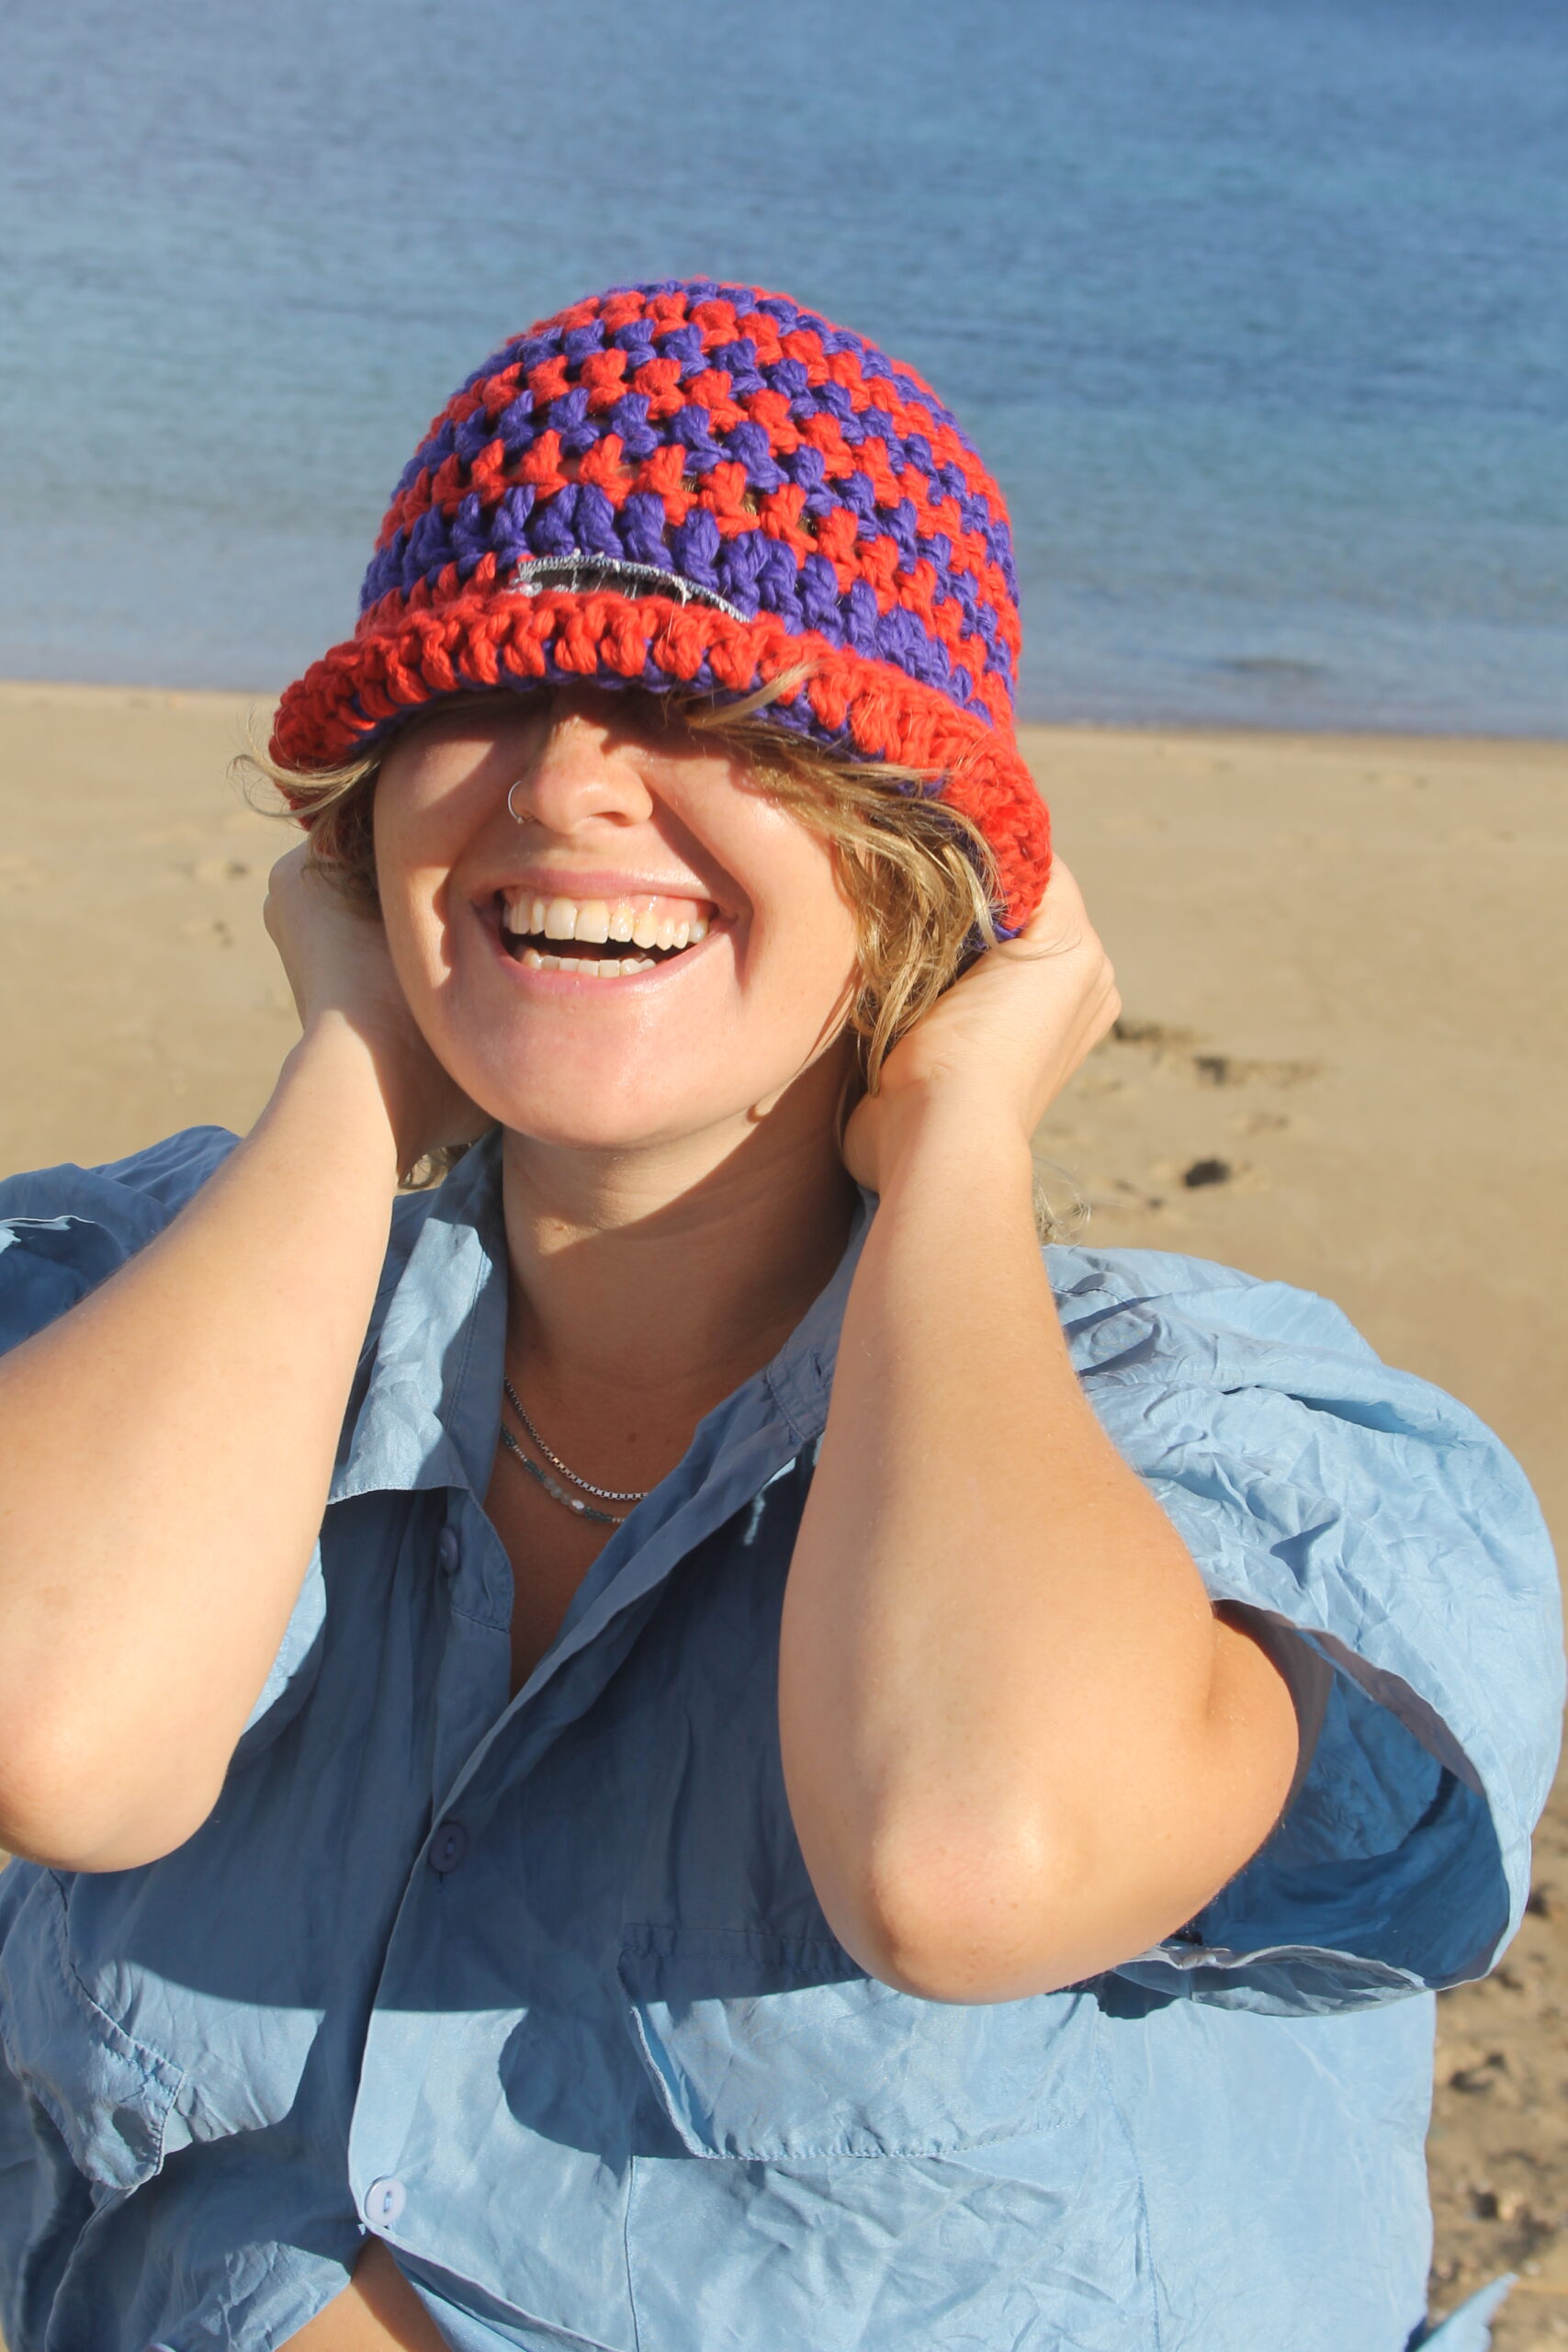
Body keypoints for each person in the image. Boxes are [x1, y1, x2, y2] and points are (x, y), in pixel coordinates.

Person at [0, 278, 1557, 2352]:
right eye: (479, 691)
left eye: (698, 698)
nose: (565, 780)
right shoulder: (118, 1299)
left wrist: (966, 1140)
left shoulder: (1236, 1444)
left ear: (903, 841)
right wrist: (353, 1080)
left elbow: (967, 1843)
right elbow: (60, 1726)